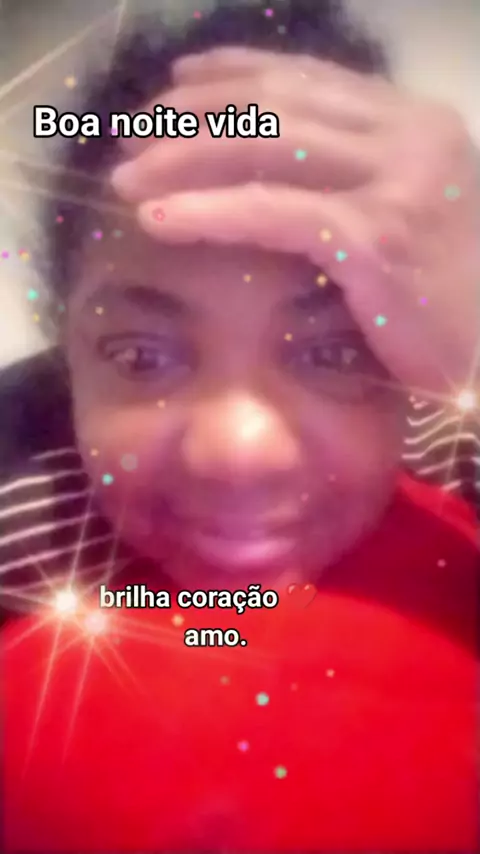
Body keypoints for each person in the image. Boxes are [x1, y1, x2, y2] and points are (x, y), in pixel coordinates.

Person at [2, 1, 479, 852]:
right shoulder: (24, 515)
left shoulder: (459, 468)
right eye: (141, 357)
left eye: (335, 352)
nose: (238, 454)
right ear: (68, 356)